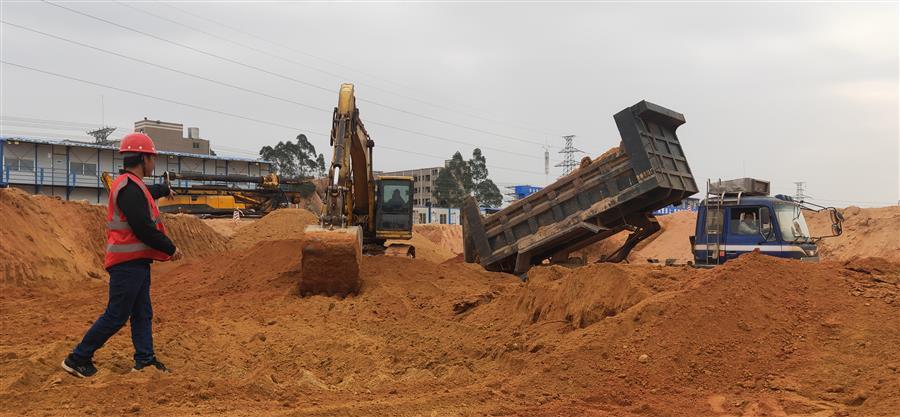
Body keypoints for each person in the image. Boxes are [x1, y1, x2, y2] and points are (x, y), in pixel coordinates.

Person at [61, 132, 182, 378]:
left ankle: (145, 360)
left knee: (142, 313)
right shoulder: (129, 188)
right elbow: (143, 227)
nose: (154, 163)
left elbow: (147, 193)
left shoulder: (132, 185)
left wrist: (163, 189)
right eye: (152, 158)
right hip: (127, 265)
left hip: (136, 263)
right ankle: (77, 358)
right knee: (116, 315)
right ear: (143, 158)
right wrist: (171, 248)